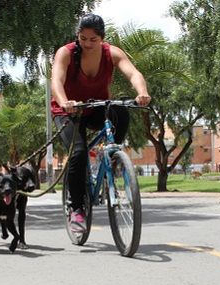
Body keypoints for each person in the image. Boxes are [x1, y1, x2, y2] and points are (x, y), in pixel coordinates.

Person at [50, 13, 151, 233]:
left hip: (95, 107)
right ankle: (76, 209)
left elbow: (133, 73)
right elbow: (56, 80)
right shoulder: (65, 53)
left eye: (92, 39)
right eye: (82, 38)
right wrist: (64, 101)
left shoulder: (112, 53)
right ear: (78, 36)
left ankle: (114, 156)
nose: (87, 43)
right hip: (68, 111)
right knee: (78, 152)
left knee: (121, 110)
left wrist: (142, 92)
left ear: (101, 39)